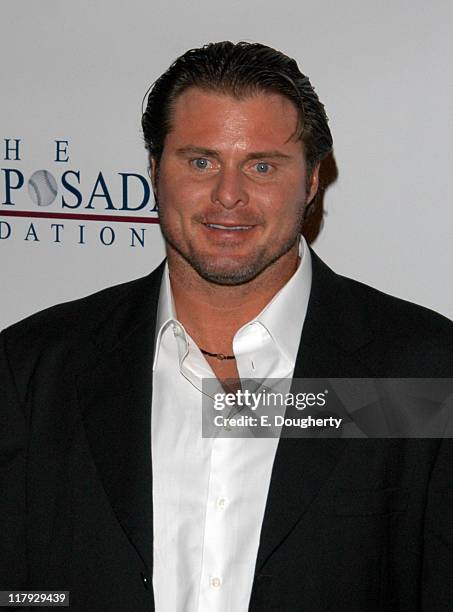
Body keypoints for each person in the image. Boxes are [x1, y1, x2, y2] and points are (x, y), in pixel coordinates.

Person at [1, 41, 452, 612]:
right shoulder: (35, 368)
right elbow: (20, 591)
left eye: (262, 165)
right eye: (200, 161)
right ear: (154, 173)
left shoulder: (422, 370)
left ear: (312, 182)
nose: (228, 195)